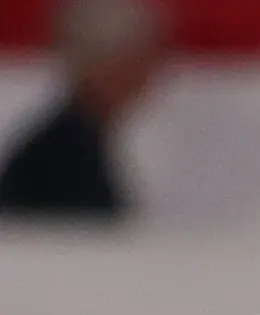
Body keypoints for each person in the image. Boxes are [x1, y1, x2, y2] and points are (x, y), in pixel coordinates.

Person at [0, 0, 161, 219]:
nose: (149, 77)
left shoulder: (76, 143)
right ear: (103, 68)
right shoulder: (63, 160)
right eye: (137, 61)